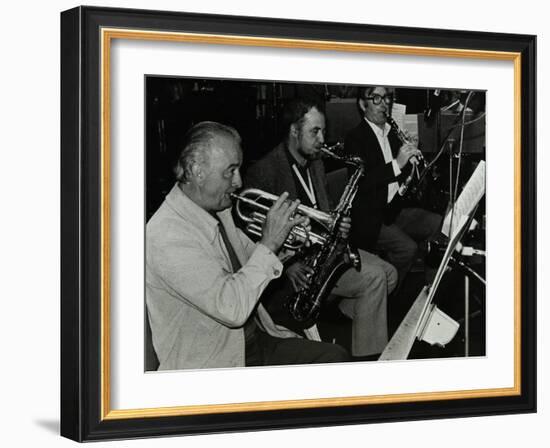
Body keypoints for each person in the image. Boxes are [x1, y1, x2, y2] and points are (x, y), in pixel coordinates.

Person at [146, 121, 349, 371]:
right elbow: (232, 308)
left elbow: (252, 260)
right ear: (197, 171)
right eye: (229, 171)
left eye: (239, 169)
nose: (238, 181)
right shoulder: (168, 234)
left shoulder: (217, 211)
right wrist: (269, 242)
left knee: (335, 358)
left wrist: (287, 243)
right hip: (213, 363)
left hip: (251, 341)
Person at [244, 99, 398, 358]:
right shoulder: (265, 171)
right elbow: (249, 234)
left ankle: (336, 313)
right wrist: (288, 265)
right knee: (374, 279)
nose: (322, 139)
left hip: (324, 250)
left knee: (390, 273)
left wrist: (337, 223)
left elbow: (322, 211)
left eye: (323, 131)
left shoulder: (315, 162)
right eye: (314, 131)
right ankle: (368, 360)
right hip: (297, 265)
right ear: (294, 131)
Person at [344, 86, 442, 286]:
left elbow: (402, 178)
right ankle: (385, 289)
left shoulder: (392, 133)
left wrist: (412, 157)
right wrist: (397, 163)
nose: (385, 103)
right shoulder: (355, 138)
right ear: (363, 105)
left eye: (387, 98)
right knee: (407, 249)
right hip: (370, 217)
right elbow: (363, 182)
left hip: (394, 210)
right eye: (377, 98)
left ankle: (429, 289)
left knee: (438, 224)